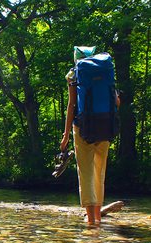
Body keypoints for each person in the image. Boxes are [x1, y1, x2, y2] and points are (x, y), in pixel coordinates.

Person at [60, 46, 120, 226]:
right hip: (105, 126)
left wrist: (65, 135)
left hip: (83, 128)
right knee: (99, 172)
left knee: (85, 172)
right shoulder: (106, 70)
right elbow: (116, 101)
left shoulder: (73, 75)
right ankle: (98, 219)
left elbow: (71, 106)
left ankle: (91, 221)